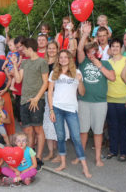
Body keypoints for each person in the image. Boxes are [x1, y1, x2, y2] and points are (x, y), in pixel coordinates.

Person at [48, 49, 91, 178]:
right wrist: (51, 110)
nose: (63, 59)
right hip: (57, 108)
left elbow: (82, 93)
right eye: (60, 57)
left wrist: (80, 81)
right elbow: (50, 92)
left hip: (71, 109)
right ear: (58, 59)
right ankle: (62, 163)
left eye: (65, 57)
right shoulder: (54, 73)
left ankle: (85, 167)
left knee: (76, 137)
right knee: (60, 136)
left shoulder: (77, 72)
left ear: (70, 59)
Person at [76, 24, 115, 167]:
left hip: (100, 102)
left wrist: (98, 64)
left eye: (94, 51)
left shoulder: (105, 62)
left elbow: (112, 77)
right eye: (89, 52)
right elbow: (79, 49)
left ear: (98, 51)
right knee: (83, 131)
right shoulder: (83, 62)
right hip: (84, 101)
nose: (91, 54)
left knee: (98, 132)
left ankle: (98, 158)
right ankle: (81, 156)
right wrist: (85, 34)